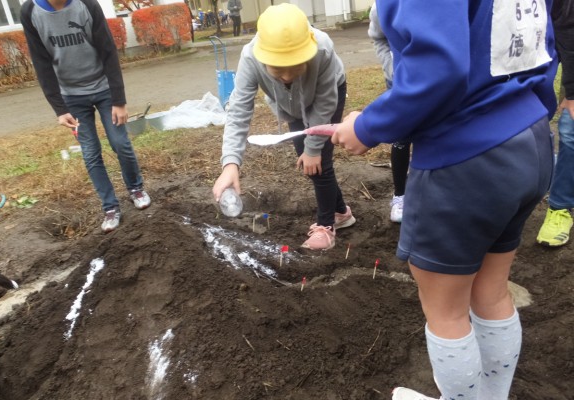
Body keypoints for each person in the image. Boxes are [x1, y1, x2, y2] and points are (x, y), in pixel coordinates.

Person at [332, 0, 557, 398]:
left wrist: (367, 126)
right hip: (529, 139)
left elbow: (439, 70)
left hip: (465, 158)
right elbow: (539, 44)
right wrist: (526, 112)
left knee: (446, 312)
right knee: (492, 291)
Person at [212, 3, 355, 251]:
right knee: (311, 161)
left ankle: (326, 226)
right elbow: (238, 110)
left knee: (319, 160)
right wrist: (230, 163)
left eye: (296, 67)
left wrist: (313, 149)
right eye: (278, 70)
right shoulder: (250, 57)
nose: (287, 77)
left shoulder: (322, 49)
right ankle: (341, 212)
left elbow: (325, 103)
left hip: (328, 95)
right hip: (290, 105)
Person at [21, 0, 151, 234]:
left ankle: (136, 189)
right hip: (71, 96)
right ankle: (110, 207)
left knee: (120, 143)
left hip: (103, 89)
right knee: (91, 152)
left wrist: (119, 100)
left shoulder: (86, 5)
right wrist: (59, 109)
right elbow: (41, 62)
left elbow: (108, 51)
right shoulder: (30, 11)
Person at [536, 0, 574, 247]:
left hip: (565, 34)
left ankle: (559, 207)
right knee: (532, 121)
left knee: (570, 130)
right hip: (538, 40)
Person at [368, 2, 410, 223]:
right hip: (399, 82)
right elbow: (378, 38)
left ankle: (431, 188)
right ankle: (400, 195)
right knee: (402, 138)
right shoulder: (381, 9)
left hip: (434, 80)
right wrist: (393, 69)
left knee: (433, 134)